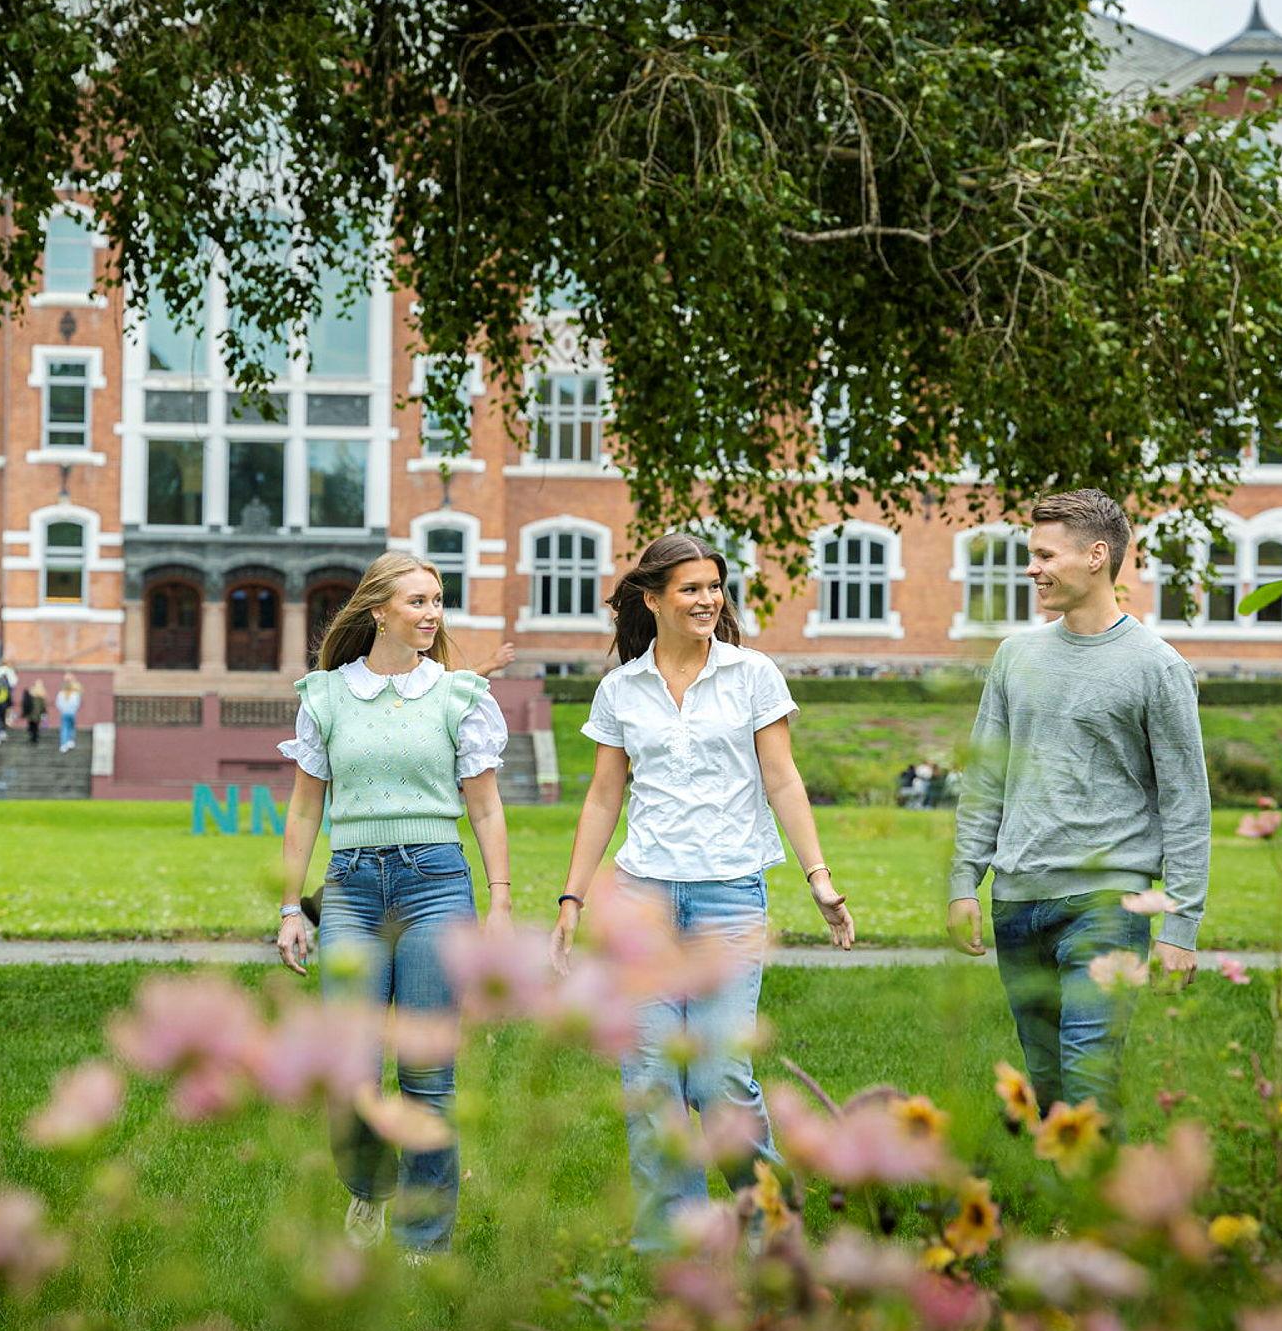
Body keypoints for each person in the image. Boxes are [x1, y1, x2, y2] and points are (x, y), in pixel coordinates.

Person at [549, 532, 854, 1252]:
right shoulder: (622, 689)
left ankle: (770, 1225)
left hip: (729, 898)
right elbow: (603, 797)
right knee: (654, 1078)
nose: (708, 599)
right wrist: (572, 900)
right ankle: (673, 1245)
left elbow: (782, 779)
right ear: (652, 599)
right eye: (690, 588)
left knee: (718, 1075)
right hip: (644, 899)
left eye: (714, 586)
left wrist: (819, 877)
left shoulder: (752, 675)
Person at [947, 488, 1210, 1124]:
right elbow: (986, 779)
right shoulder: (1015, 656)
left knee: (1089, 1076)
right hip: (1018, 900)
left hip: (1107, 904)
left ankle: (1093, 1191)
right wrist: (963, 882)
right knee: (1047, 1085)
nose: (1031, 568)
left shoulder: (1157, 667)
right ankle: (1067, 1182)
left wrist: (1180, 926)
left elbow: (1186, 803)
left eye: (1045, 555)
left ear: (1096, 556)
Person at [278, 550, 511, 1255]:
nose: (432, 613)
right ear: (378, 610)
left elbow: (486, 807)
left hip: (435, 884)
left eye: (437, 600)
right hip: (351, 887)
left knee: (427, 1074)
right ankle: (369, 1187)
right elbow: (304, 809)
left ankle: (421, 1245)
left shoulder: (459, 695)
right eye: (418, 601)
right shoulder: (325, 696)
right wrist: (289, 907)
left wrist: (500, 902)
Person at [57, 673, 84, 754]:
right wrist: (74, 709)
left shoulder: (61, 694)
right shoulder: (75, 694)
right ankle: (70, 740)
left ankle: (63, 744)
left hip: (64, 713)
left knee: (64, 728)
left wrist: (62, 710)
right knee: (71, 727)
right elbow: (77, 703)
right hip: (72, 712)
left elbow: (58, 703)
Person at [22, 682, 48, 747]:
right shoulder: (40, 697)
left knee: (32, 726)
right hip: (36, 715)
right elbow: (43, 707)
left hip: (31, 714)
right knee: (35, 726)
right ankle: (34, 738)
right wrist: (44, 713)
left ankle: (33, 738)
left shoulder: (31, 696)